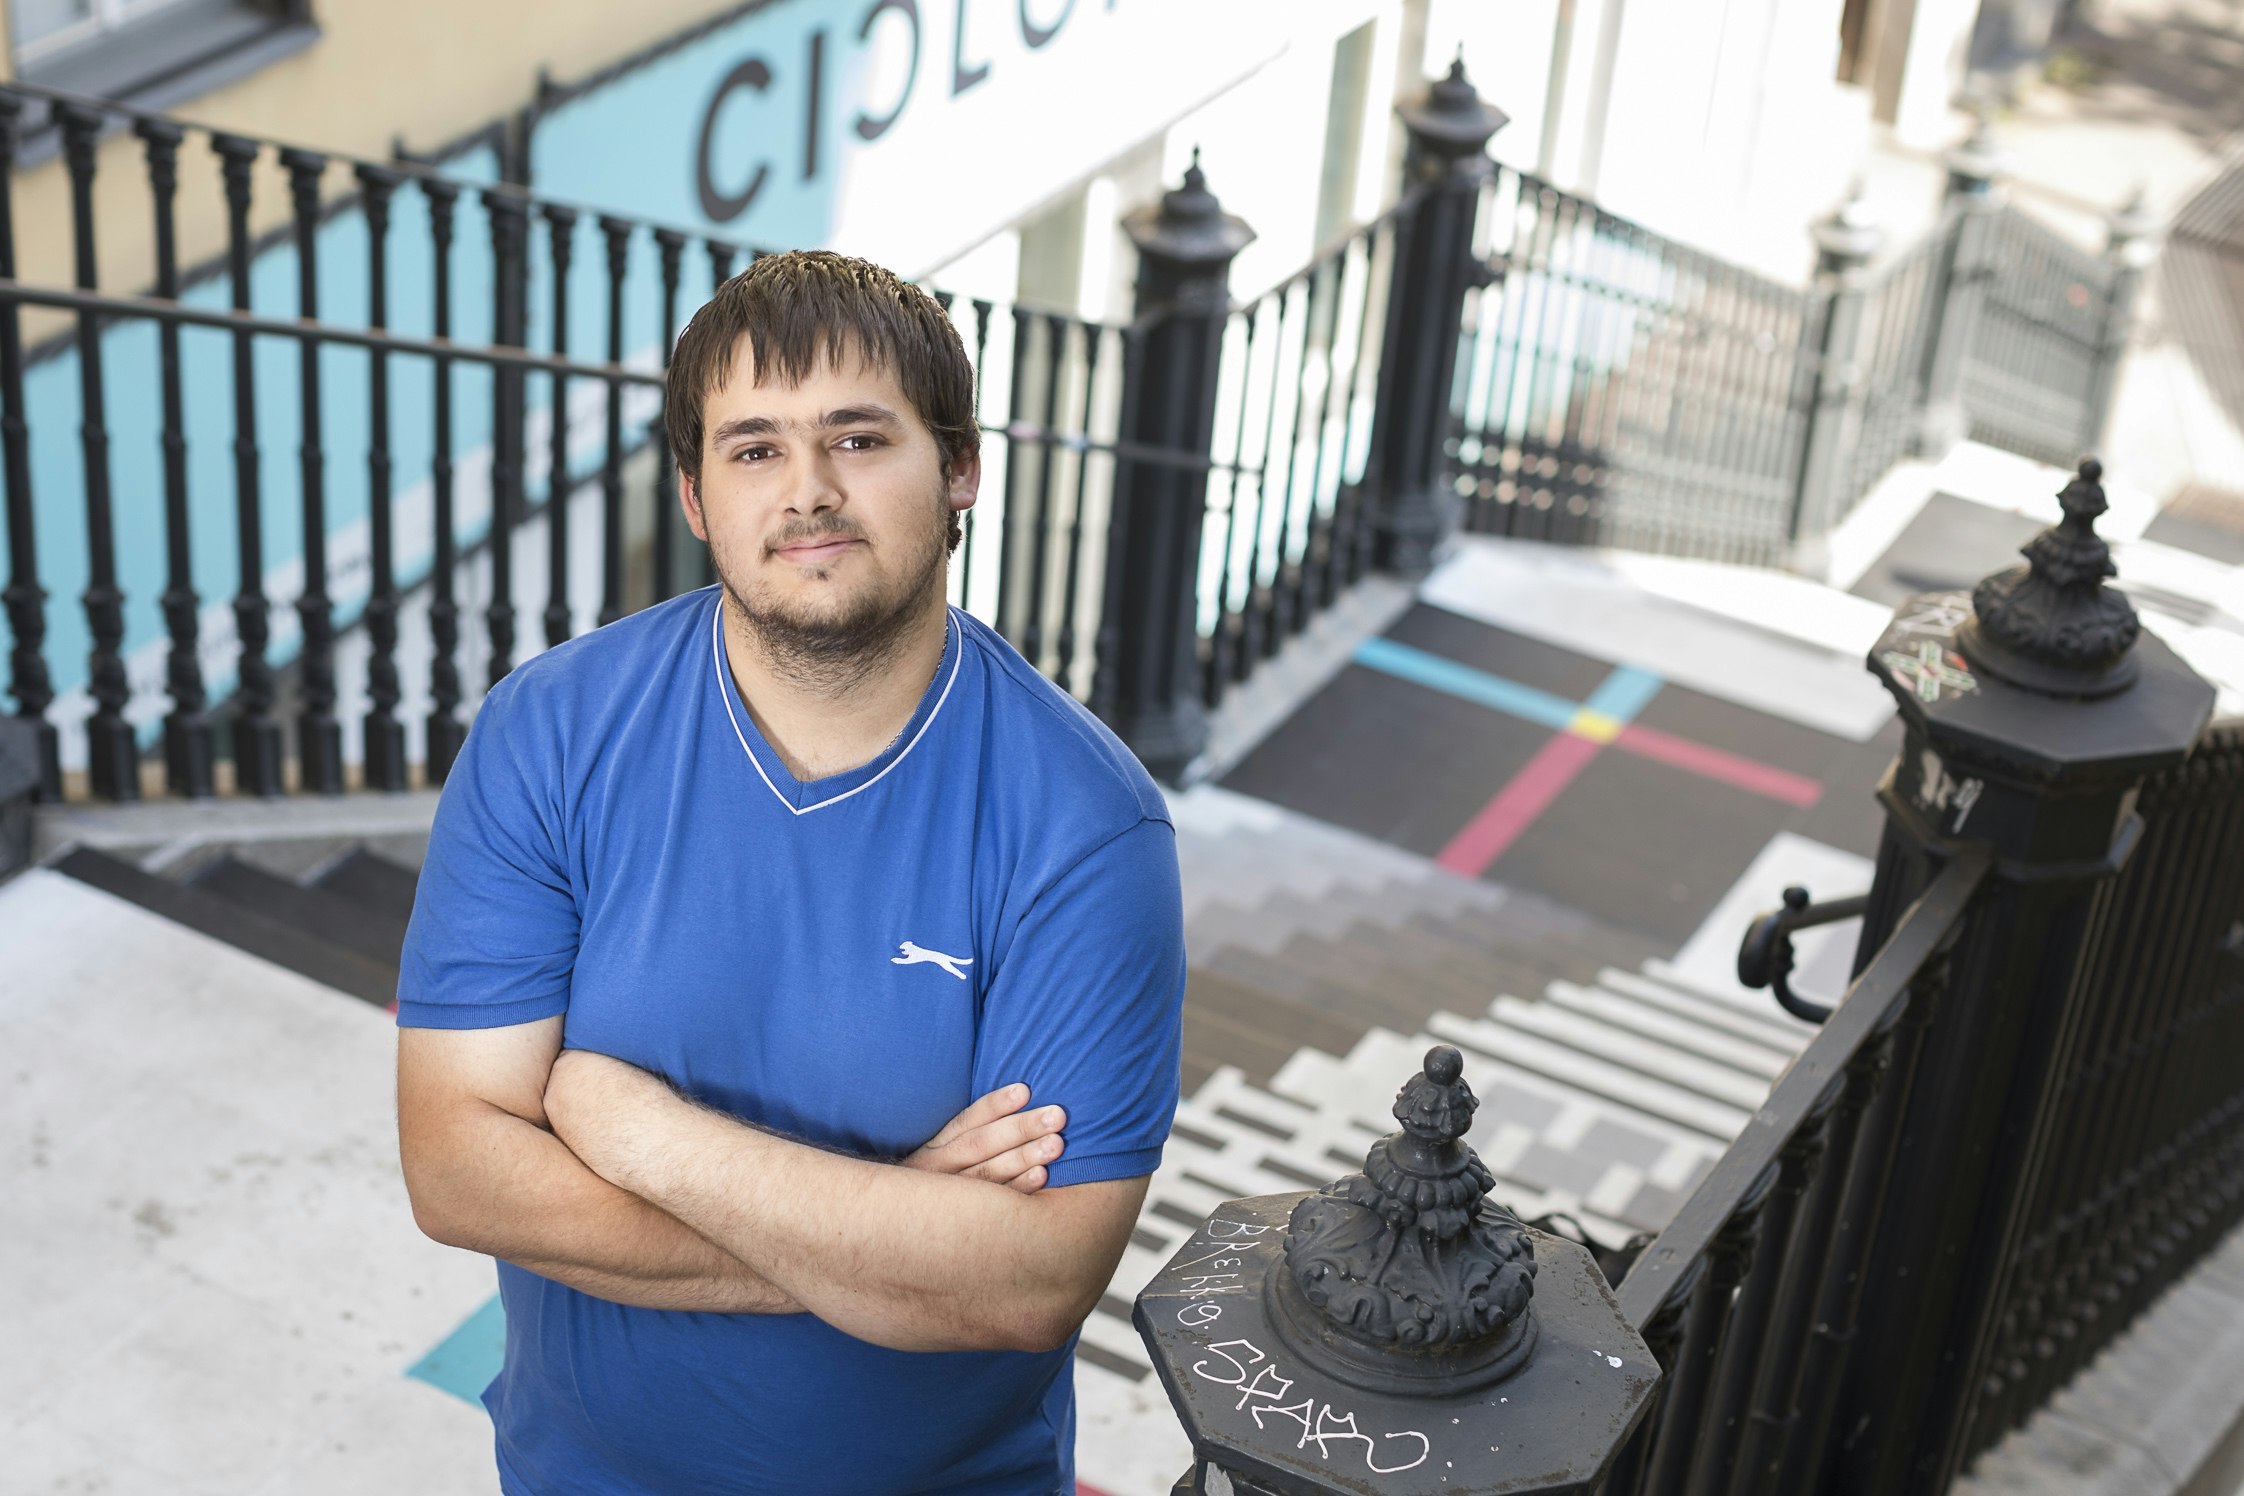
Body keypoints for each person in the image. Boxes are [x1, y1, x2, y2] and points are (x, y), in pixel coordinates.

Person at [395, 250, 1187, 1495]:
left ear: (961, 466)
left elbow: (1031, 1279)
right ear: (700, 497)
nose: (807, 491)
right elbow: (454, 1167)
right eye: (755, 447)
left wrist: (631, 1127)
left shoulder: (1084, 830)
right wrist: (892, 1232)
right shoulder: (549, 731)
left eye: (859, 438)